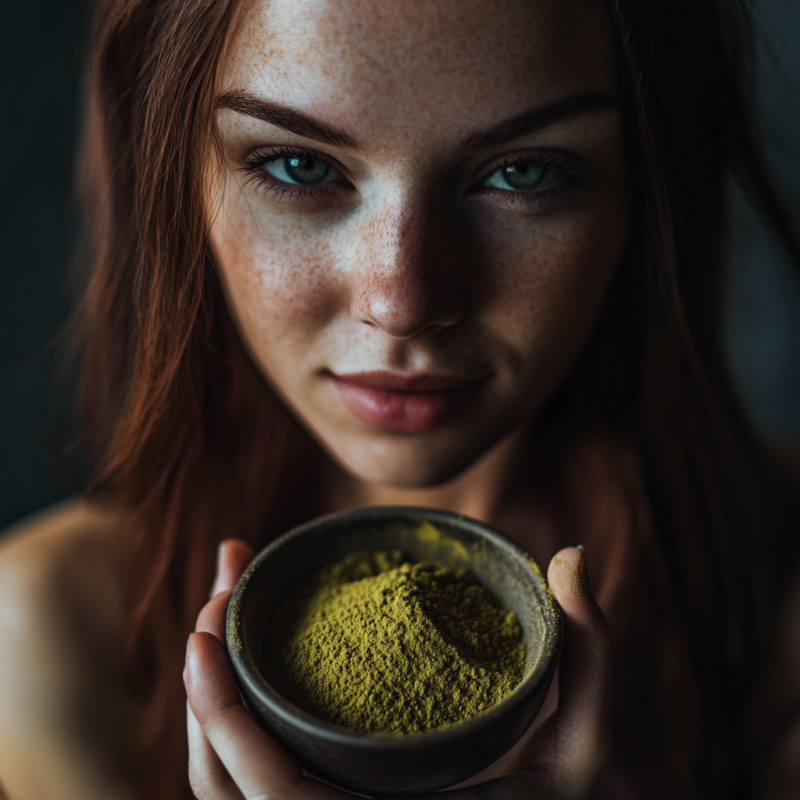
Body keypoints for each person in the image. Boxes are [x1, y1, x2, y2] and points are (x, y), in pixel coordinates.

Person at [1, 0, 799, 797]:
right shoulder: (49, 637)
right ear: (178, 174)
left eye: (524, 172)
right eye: (298, 166)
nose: (403, 300)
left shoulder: (779, 609)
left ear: (648, 185)